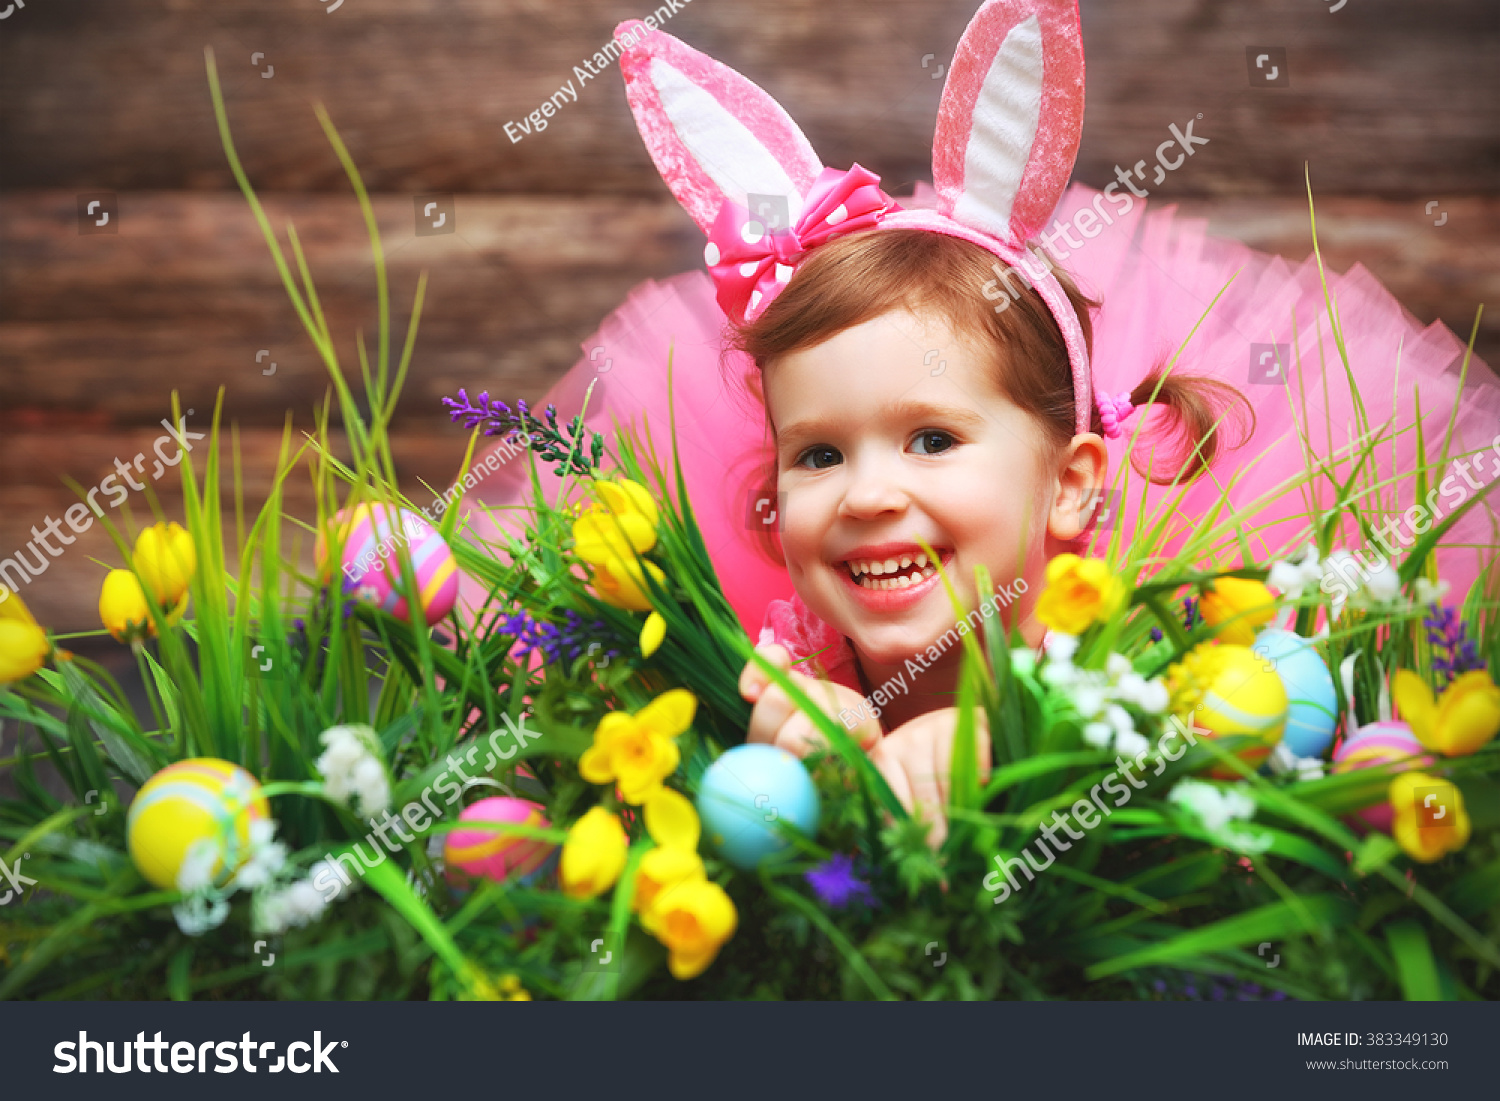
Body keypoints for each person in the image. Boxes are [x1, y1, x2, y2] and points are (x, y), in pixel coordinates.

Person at [458, 0, 1500, 843]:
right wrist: (788, 770)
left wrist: (996, 754)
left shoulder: (1135, 669)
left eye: (932, 440)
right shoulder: (783, 661)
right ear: (774, 500)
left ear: (1075, 481)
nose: (869, 493)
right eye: (820, 453)